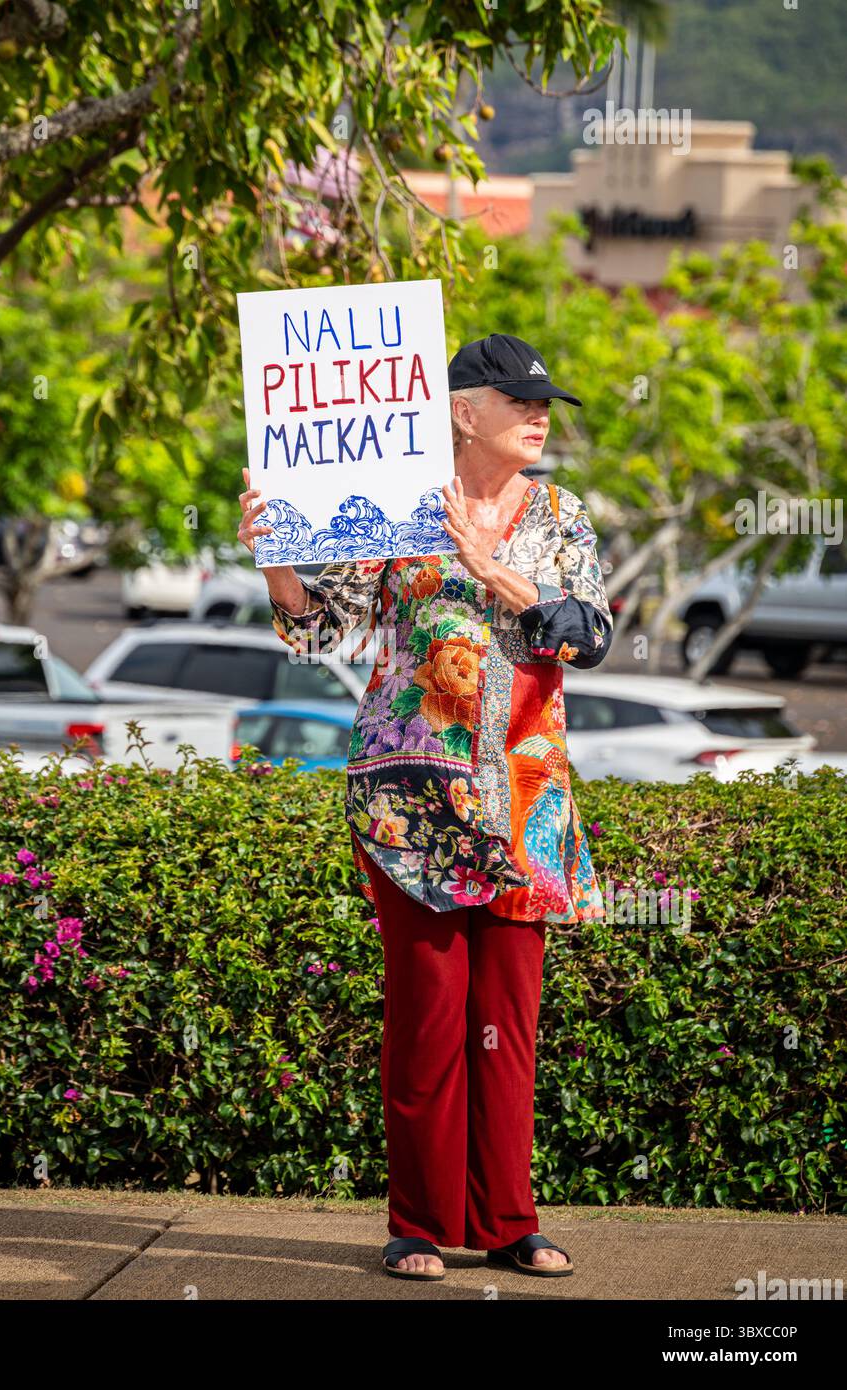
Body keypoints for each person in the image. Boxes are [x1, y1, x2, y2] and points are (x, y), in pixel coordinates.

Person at [238, 332, 612, 1283]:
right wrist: (277, 558)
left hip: (526, 800)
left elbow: (589, 634)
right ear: (461, 410)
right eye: (521, 402)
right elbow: (320, 625)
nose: (540, 418)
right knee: (429, 1015)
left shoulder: (562, 515)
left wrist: (493, 567)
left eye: (546, 406)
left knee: (509, 1021)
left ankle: (508, 1221)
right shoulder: (395, 509)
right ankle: (416, 1225)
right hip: (410, 801)